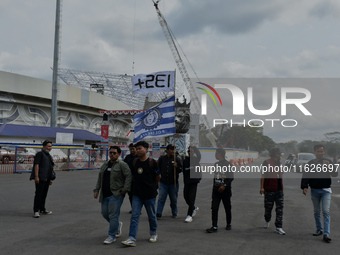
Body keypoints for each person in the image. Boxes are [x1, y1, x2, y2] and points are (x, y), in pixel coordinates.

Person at [121, 141, 160, 247]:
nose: (137, 150)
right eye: (136, 149)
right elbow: (132, 176)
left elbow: (158, 177)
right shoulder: (134, 162)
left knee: (151, 215)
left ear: (146, 149)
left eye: (140, 148)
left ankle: (153, 233)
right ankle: (132, 238)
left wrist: (153, 186)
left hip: (150, 195)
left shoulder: (152, 162)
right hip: (137, 194)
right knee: (134, 216)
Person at [93, 146, 132, 244]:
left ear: (119, 154)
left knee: (113, 215)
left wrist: (124, 190)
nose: (112, 154)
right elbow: (100, 178)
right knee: (105, 213)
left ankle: (111, 235)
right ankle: (117, 225)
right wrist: (96, 190)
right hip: (105, 194)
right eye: (110, 152)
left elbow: (128, 176)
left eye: (114, 153)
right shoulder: (105, 165)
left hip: (116, 194)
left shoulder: (122, 165)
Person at [301, 144, 338, 243]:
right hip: (315, 190)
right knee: (316, 211)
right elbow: (306, 175)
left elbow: (335, 174)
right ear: (314, 152)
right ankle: (319, 229)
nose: (320, 153)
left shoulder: (328, 162)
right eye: (318, 151)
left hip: (326, 190)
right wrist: (304, 186)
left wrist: (329, 166)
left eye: (322, 151)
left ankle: (326, 233)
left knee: (326, 211)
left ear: (324, 152)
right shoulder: (310, 163)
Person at [206, 148, 234, 233]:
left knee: (227, 207)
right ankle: (214, 226)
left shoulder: (229, 164)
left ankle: (228, 223)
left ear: (221, 154)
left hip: (225, 190)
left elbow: (231, 177)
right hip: (216, 190)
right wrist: (215, 187)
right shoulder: (216, 164)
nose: (215, 155)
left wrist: (224, 186)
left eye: (216, 153)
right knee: (214, 208)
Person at [260, 148, 285, 235]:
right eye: (278, 153)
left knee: (280, 209)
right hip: (269, 189)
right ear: (274, 154)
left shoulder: (280, 163)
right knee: (268, 208)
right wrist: (262, 187)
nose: (280, 155)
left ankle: (279, 227)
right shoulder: (266, 163)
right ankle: (267, 219)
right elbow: (263, 175)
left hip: (279, 190)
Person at [156, 144, 182, 219]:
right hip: (163, 182)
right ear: (167, 150)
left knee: (173, 199)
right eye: (171, 149)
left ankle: (174, 212)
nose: (173, 151)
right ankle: (159, 213)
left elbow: (180, 170)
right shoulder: (162, 158)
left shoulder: (177, 159)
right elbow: (157, 168)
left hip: (173, 183)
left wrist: (177, 166)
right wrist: (158, 174)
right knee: (161, 198)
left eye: (174, 149)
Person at [30, 140, 55, 218]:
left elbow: (50, 168)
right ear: (44, 146)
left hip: (47, 178)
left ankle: (42, 209)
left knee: (44, 195)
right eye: (48, 146)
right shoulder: (40, 154)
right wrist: (36, 176)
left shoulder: (49, 156)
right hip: (40, 178)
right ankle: (36, 211)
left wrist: (51, 178)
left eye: (50, 146)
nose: (49, 148)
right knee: (38, 194)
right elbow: (37, 165)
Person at [183, 144, 201, 223]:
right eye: (189, 151)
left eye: (191, 151)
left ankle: (189, 215)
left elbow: (199, 154)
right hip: (187, 182)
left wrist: (194, 147)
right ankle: (193, 207)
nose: (190, 152)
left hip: (194, 182)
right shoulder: (185, 161)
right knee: (186, 197)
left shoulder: (196, 159)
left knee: (191, 198)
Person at [124, 143, 138, 211]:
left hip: (137, 179)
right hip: (129, 179)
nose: (132, 150)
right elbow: (124, 166)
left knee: (137, 194)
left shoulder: (139, 157)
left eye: (133, 149)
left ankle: (137, 208)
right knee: (130, 194)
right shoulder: (127, 157)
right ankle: (133, 208)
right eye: (130, 149)